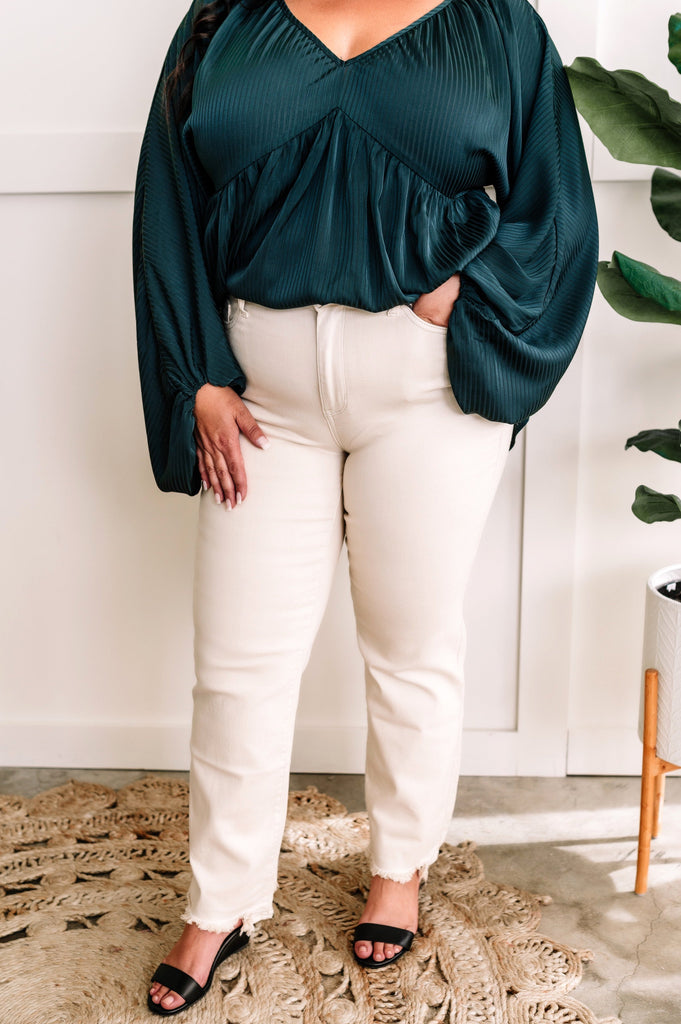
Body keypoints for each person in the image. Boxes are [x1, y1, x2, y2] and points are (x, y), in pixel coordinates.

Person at [133, 0, 598, 1013]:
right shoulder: (223, 20)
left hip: (426, 393)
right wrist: (196, 376)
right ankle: (220, 901)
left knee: (410, 643)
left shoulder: (497, 24)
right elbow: (167, 192)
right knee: (238, 663)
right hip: (260, 395)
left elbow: (557, 205)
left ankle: (400, 865)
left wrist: (470, 293)